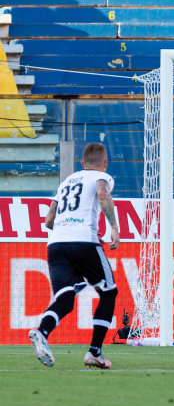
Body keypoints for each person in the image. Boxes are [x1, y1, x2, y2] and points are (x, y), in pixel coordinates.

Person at [29, 142, 121, 369]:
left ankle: (42, 332)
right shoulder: (103, 177)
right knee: (109, 292)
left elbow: (49, 220)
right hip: (84, 241)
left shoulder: (67, 182)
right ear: (105, 163)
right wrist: (114, 227)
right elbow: (102, 193)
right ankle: (94, 353)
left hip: (56, 244)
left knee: (66, 297)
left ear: (82, 163)